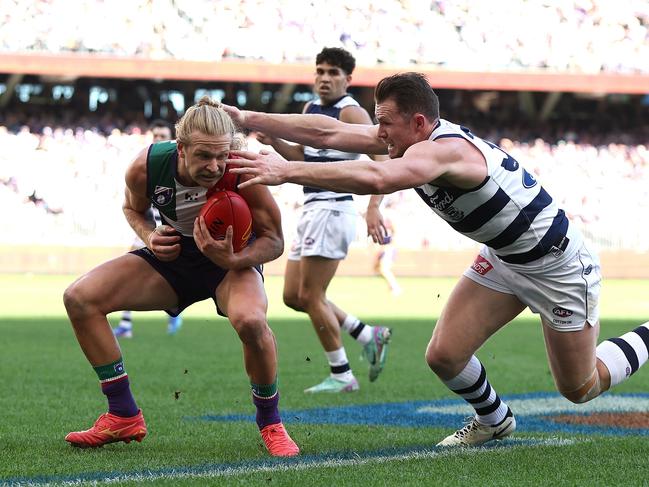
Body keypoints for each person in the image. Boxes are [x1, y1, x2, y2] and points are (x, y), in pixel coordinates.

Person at [222, 72, 649, 447]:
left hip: (556, 266)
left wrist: (286, 171)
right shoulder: (410, 139)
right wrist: (248, 119)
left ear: (419, 122)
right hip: (505, 259)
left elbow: (378, 178)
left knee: (580, 386)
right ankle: (494, 420)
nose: (379, 132)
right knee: (444, 355)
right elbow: (329, 134)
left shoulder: (445, 152)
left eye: (385, 123)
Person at [62, 97, 299, 457]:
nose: (215, 166)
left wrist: (236, 257)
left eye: (221, 155)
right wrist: (149, 236)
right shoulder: (147, 165)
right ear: (181, 147)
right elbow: (132, 208)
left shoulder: (241, 170)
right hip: (174, 259)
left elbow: (274, 241)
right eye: (204, 155)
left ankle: (271, 423)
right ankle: (123, 414)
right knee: (79, 298)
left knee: (251, 321)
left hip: (230, 263)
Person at [254, 47, 392, 393]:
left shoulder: (353, 114)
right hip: (313, 207)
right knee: (294, 297)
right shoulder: (310, 109)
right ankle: (366, 333)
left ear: (347, 79)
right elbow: (303, 157)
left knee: (312, 295)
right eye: (320, 71)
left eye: (333, 73)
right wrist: (273, 140)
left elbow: (386, 161)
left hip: (333, 208)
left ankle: (342, 375)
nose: (324, 78)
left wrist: (374, 206)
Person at [113, 119, 184, 338]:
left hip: (173, 229)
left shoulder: (178, 163)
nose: (159, 140)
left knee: (174, 275)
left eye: (163, 136)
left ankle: (174, 312)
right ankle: (126, 324)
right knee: (128, 275)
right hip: (148, 227)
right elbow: (133, 201)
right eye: (156, 137)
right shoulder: (145, 163)